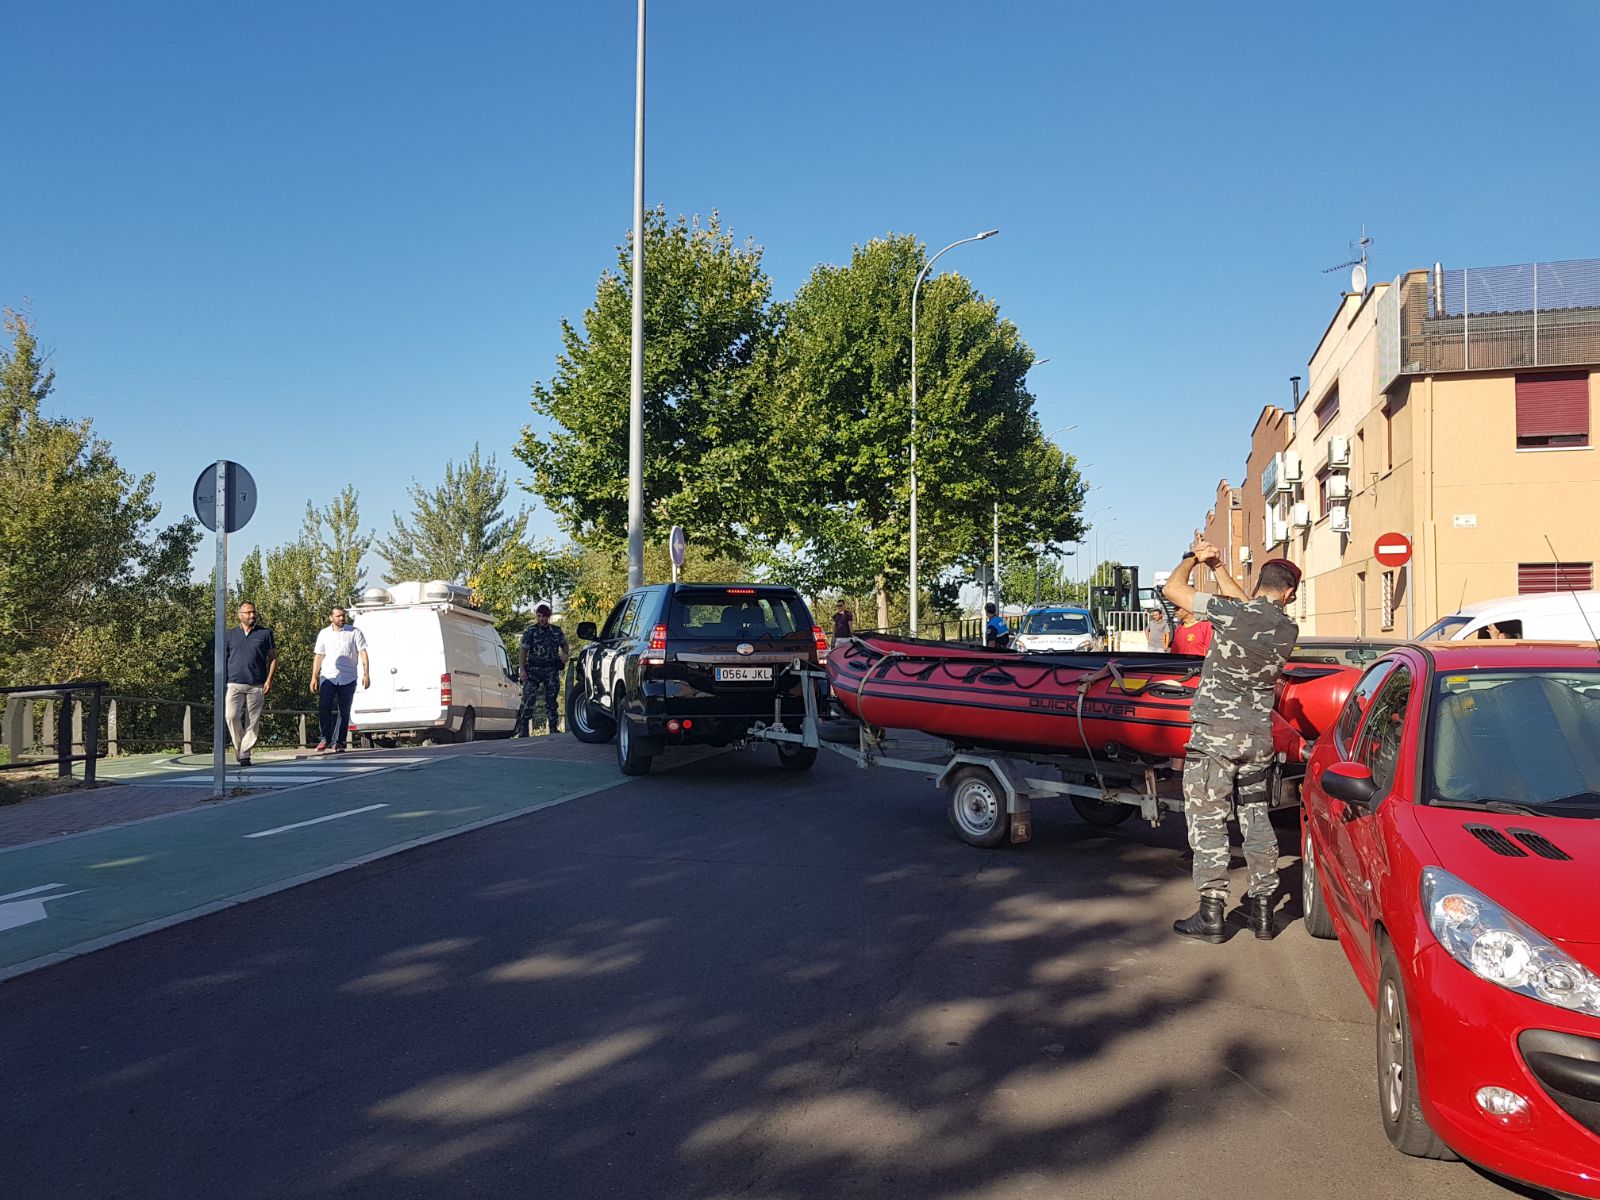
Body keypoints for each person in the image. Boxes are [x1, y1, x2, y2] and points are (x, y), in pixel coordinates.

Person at [1162, 539, 1300, 943]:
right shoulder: (1286, 626)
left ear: (1261, 583)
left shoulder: (1233, 613)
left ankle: (1212, 912)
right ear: (1288, 593)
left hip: (1215, 739)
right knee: (1256, 819)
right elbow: (1252, 607)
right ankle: (1262, 913)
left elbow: (1174, 590)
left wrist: (1192, 558)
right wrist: (1219, 566)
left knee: (1208, 819)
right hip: (1258, 739)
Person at [223, 601, 276, 768]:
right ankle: (240, 747)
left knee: (253, 721)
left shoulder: (265, 633)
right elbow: (223, 659)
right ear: (240, 615)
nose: (252, 615)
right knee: (231, 716)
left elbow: (273, 658)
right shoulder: (229, 635)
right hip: (234, 683)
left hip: (257, 684)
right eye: (248, 612)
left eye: (253, 612)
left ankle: (245, 755)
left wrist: (269, 680)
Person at [309, 606, 369, 752]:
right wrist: (314, 677)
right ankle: (325, 738)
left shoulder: (354, 632)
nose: (341, 618)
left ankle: (339, 741)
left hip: (348, 677)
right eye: (338, 616)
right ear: (331, 618)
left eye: (343, 615)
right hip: (328, 676)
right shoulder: (324, 634)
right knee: (324, 707)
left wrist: (366, 674)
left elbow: (363, 653)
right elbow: (319, 656)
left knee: (344, 710)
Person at [518, 603, 569, 736]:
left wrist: (565, 654)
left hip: (551, 669)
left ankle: (553, 727)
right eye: (538, 616)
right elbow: (523, 650)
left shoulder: (556, 631)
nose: (541, 619)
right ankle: (523, 728)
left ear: (548, 617)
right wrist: (522, 670)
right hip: (534, 669)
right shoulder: (531, 631)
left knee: (551, 699)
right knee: (529, 697)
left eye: (543, 616)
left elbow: (564, 645)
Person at [1167, 555, 1214, 657]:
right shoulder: (1179, 628)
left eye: (1178, 607)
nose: (1175, 610)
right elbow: (1174, 653)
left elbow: (1210, 653)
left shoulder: (1205, 626)